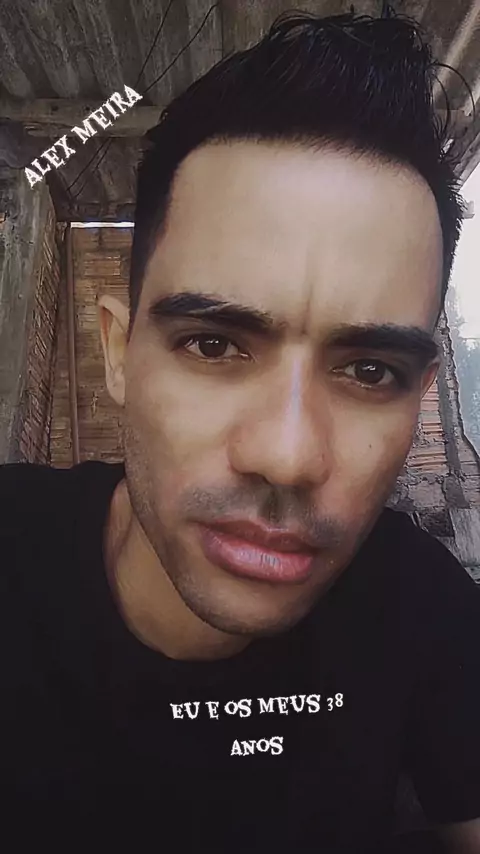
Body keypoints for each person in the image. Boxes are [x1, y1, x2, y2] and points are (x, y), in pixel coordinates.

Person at [1, 6, 479, 853]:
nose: (286, 456)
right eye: (214, 344)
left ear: (420, 398)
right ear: (117, 353)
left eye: (371, 371)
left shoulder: (428, 609)